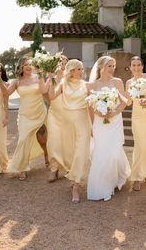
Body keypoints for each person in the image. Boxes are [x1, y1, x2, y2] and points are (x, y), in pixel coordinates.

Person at [0, 57, 49, 180]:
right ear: (21, 67)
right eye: (26, 65)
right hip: (25, 114)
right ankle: (23, 167)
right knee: (23, 140)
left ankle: (47, 154)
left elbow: (43, 91)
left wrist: (42, 76)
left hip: (39, 111)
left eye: (30, 64)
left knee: (42, 138)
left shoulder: (38, 77)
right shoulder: (16, 81)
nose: (29, 67)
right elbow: (6, 93)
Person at [87, 56, 131, 201]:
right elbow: (90, 106)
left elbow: (124, 102)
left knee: (113, 152)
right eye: (109, 66)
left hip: (115, 121)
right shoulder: (92, 85)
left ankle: (113, 180)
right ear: (100, 67)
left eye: (113, 66)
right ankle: (101, 185)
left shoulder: (117, 82)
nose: (112, 69)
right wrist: (97, 117)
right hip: (100, 123)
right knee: (102, 153)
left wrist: (114, 112)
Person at [48, 59, 91, 203]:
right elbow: (52, 96)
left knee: (81, 152)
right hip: (66, 123)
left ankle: (76, 186)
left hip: (83, 123)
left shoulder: (86, 85)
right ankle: (73, 178)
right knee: (71, 153)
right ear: (71, 71)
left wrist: (95, 124)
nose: (82, 72)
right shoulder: (63, 84)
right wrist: (49, 78)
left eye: (82, 69)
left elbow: (91, 105)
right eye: (79, 69)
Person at [125, 56, 146, 191]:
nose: (136, 68)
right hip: (137, 116)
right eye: (133, 65)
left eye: (138, 65)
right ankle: (137, 177)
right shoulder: (129, 82)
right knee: (139, 145)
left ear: (142, 66)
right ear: (130, 67)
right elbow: (129, 102)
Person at [46, 54, 69, 182]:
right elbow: (49, 96)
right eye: (60, 62)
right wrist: (50, 79)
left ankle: (68, 168)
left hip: (68, 114)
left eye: (65, 62)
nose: (62, 64)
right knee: (53, 141)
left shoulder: (71, 78)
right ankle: (53, 169)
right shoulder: (51, 77)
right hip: (54, 114)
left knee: (67, 141)